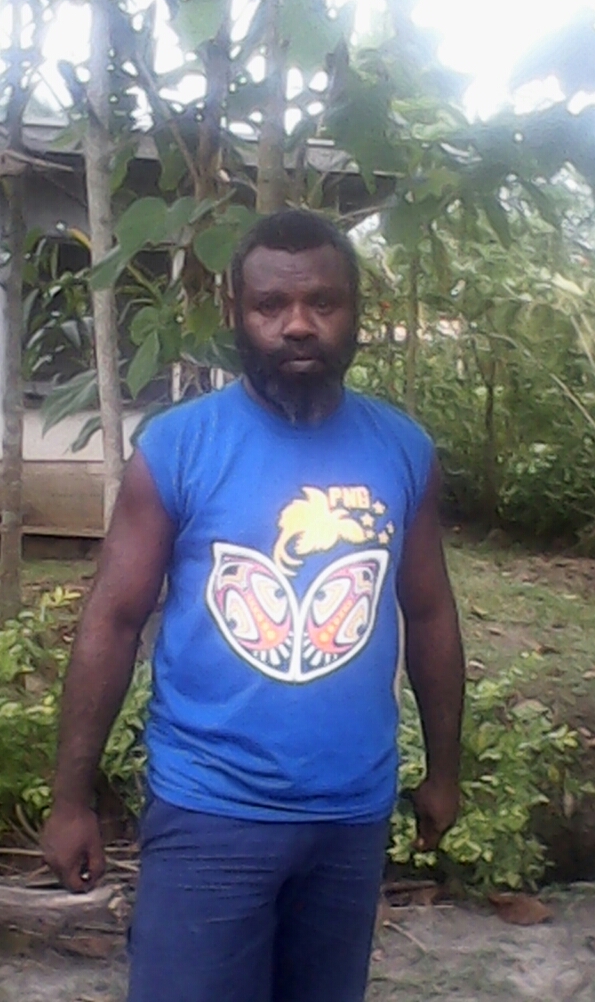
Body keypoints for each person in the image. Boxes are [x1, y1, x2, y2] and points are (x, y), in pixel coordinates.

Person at [41, 210, 465, 1002]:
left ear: (355, 311)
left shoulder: (402, 449)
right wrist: (70, 799)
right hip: (209, 813)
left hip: (350, 816)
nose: (297, 324)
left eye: (322, 302)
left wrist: (444, 771)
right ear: (235, 312)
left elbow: (431, 613)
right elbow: (113, 620)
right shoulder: (178, 449)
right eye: (271, 305)